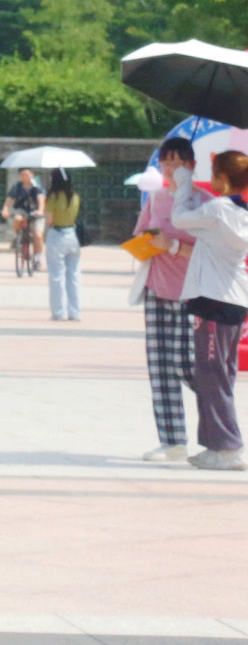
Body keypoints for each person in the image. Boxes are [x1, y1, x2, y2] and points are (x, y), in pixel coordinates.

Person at [171, 148, 248, 471]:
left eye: (214, 173)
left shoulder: (218, 209)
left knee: (212, 376)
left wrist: (183, 182)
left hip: (214, 302)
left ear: (223, 179)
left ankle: (228, 448)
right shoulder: (239, 211)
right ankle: (215, 445)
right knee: (218, 375)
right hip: (232, 300)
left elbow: (179, 219)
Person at [134, 135, 204, 462]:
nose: (171, 168)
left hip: (192, 294)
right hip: (156, 290)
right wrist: (147, 242)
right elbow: (141, 235)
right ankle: (172, 441)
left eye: (178, 162)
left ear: (192, 165)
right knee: (160, 367)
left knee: (185, 362)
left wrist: (173, 246)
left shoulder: (204, 203)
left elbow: (210, 252)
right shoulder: (156, 200)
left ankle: (218, 412)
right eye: (166, 162)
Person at [43, 168, 84, 322]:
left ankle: (59, 312)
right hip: (72, 235)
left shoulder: (53, 197)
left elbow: (49, 220)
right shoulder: (75, 196)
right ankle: (75, 312)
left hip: (57, 235)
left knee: (56, 275)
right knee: (74, 275)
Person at [6, 168, 46, 268]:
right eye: (22, 175)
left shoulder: (37, 186)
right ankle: (17, 237)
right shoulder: (17, 187)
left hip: (36, 212)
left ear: (32, 175)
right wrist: (5, 209)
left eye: (27, 175)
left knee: (38, 235)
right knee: (17, 219)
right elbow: (9, 199)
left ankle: (37, 258)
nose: (24, 177)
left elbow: (41, 199)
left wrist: (40, 210)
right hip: (22, 210)